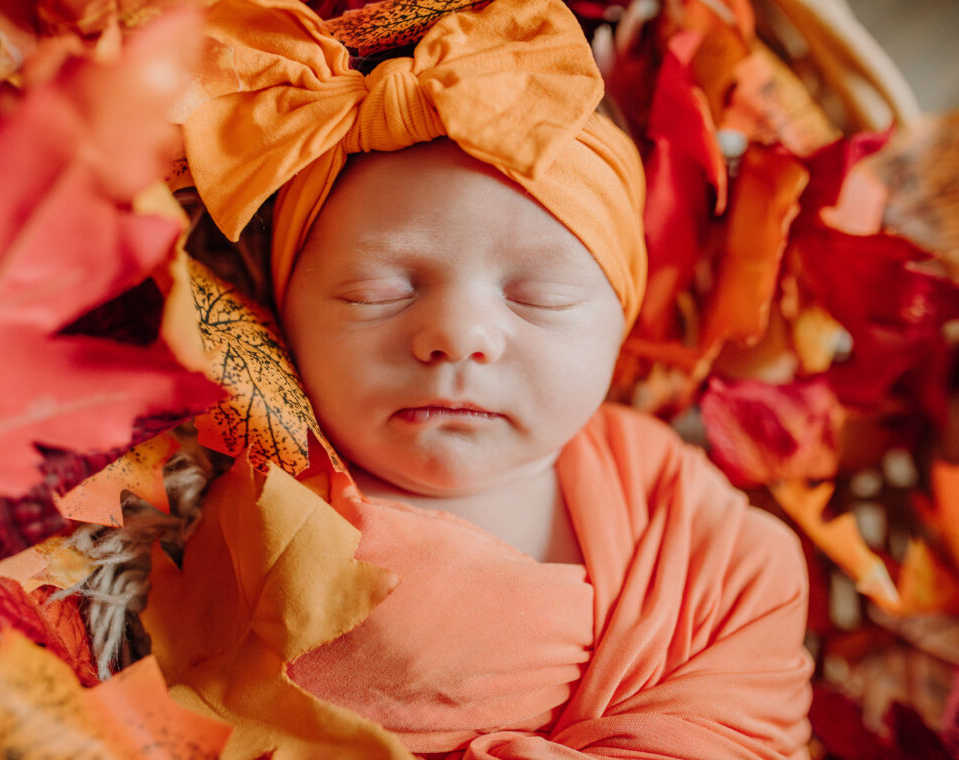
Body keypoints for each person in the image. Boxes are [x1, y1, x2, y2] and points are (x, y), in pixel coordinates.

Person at [174, 0, 814, 756]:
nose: (458, 336)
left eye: (537, 297)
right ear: (284, 317)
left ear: (621, 324)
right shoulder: (237, 504)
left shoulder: (690, 529)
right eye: (380, 291)